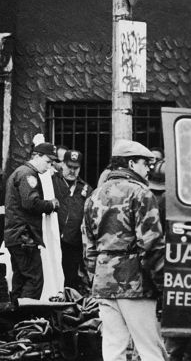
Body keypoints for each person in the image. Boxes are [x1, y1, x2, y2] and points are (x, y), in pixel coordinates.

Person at [82, 139, 166, 361]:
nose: (149, 168)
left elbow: (89, 248)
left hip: (104, 282)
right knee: (150, 351)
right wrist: (162, 284)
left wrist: (97, 277)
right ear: (131, 164)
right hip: (135, 282)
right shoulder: (141, 193)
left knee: (113, 351)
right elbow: (151, 245)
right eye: (145, 162)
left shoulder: (94, 195)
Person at [3, 142, 60, 300]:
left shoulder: (21, 172)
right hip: (24, 235)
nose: (49, 167)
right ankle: (26, 318)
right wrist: (51, 205)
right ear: (37, 156)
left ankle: (14, 318)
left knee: (20, 280)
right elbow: (30, 203)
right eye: (48, 162)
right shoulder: (28, 174)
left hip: (16, 235)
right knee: (34, 280)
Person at [52, 150, 93, 292]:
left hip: (73, 244)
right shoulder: (52, 182)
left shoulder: (86, 189)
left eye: (76, 168)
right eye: (69, 166)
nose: (72, 171)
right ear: (62, 164)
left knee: (70, 281)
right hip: (52, 241)